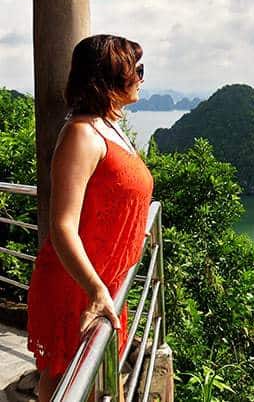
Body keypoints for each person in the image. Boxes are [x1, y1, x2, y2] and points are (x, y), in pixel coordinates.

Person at [26, 35, 154, 401]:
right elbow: (63, 225)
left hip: (105, 281)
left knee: (92, 377)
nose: (142, 78)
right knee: (63, 380)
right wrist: (96, 290)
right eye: (136, 70)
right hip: (78, 284)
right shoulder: (81, 135)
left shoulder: (110, 128)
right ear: (109, 78)